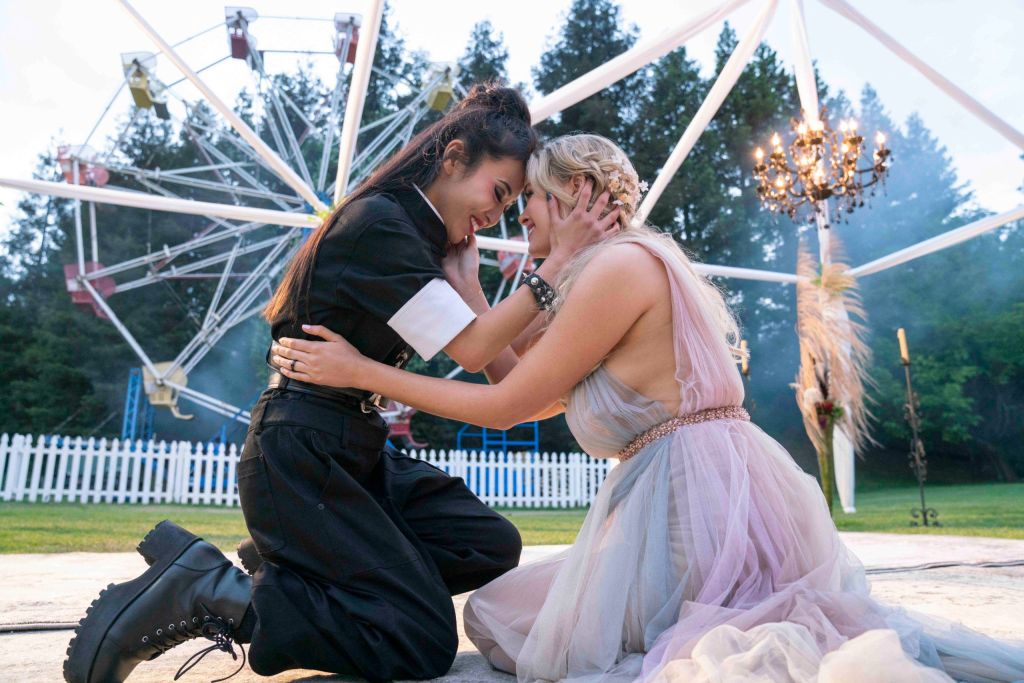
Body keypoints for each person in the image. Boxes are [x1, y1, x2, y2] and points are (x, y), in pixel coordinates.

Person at [271, 133, 1024, 682]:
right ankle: (356, 578)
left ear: (570, 197)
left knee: (510, 622)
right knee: (506, 611)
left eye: (525, 198)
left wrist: (363, 368)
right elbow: (529, 383)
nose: (516, 217)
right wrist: (474, 295)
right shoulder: (603, 273)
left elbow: (505, 405)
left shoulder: (619, 271)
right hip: (687, 499)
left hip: (689, 511)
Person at [63, 86, 617, 683]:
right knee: (419, 642)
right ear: (453, 158)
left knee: (485, 543)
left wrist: (472, 285)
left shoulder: (414, 233)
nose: (497, 216)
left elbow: (500, 368)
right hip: (302, 448)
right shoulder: (382, 226)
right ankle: (215, 592)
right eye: (499, 193)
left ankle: (305, 571)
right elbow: (477, 347)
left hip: (352, 443)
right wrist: (556, 265)